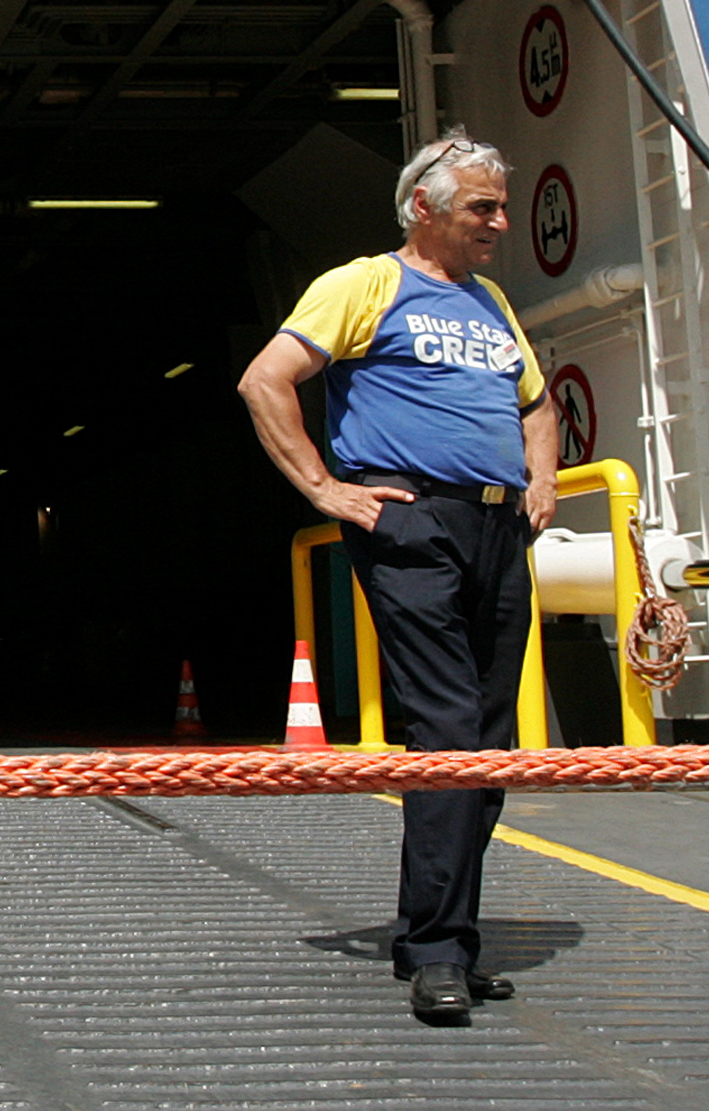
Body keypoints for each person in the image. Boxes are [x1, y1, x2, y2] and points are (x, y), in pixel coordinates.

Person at [236, 130, 558, 1027]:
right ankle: (438, 952)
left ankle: (445, 928)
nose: (499, 221)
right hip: (414, 521)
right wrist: (326, 488)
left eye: (500, 204)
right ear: (424, 206)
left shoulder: (492, 302)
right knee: (449, 724)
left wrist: (544, 479)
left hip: (500, 527)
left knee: (488, 742)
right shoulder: (365, 284)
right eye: (481, 207)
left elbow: (538, 401)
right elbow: (266, 381)